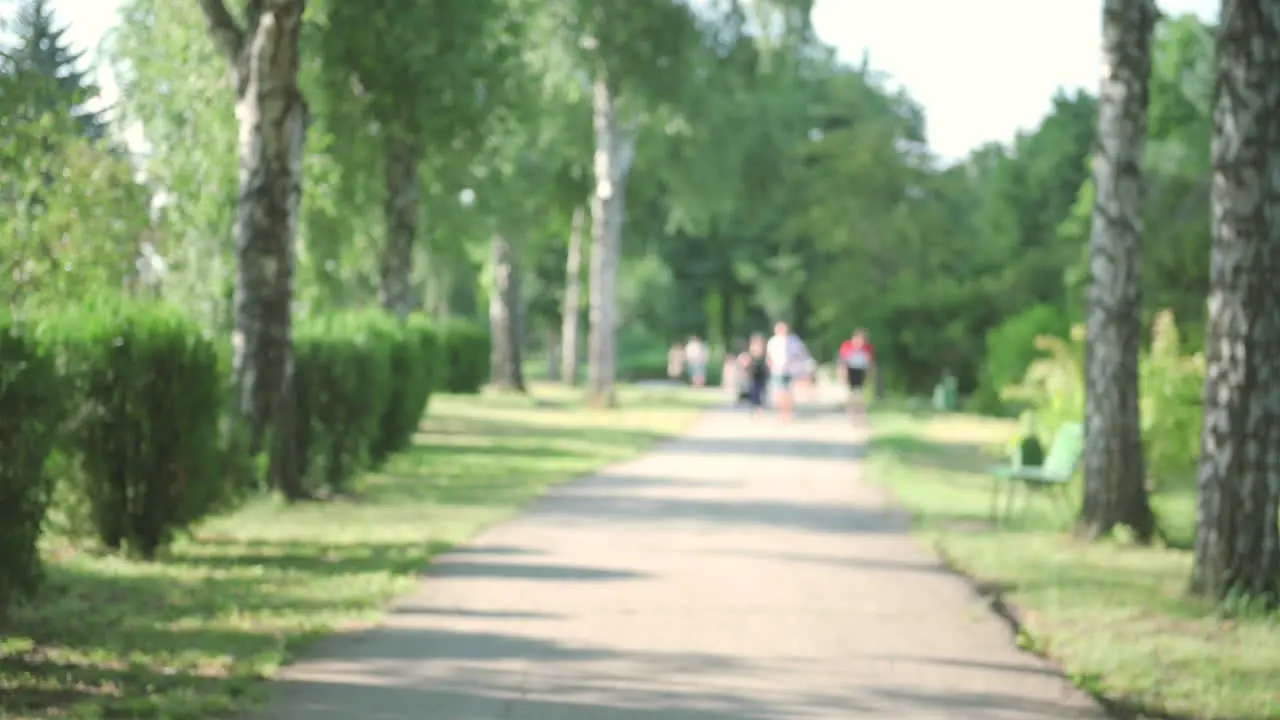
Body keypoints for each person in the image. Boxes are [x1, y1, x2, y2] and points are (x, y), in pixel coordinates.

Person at [765, 321, 806, 422]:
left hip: (790, 370)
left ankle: (788, 413)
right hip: (777, 370)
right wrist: (770, 367)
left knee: (789, 393)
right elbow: (769, 357)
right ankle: (781, 414)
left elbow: (801, 354)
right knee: (779, 393)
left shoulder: (794, 341)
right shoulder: (773, 341)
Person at [838, 328, 877, 416]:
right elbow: (842, 362)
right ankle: (851, 412)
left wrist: (871, 375)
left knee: (860, 393)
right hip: (850, 370)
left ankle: (861, 412)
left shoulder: (867, 348)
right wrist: (842, 375)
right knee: (851, 392)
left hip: (861, 371)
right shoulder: (847, 346)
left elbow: (871, 363)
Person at [740, 333, 769, 416]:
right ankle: (755, 408)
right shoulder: (751, 351)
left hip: (762, 374)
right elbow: (746, 362)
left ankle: (758, 408)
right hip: (753, 374)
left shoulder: (764, 352)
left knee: (760, 391)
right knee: (753, 390)